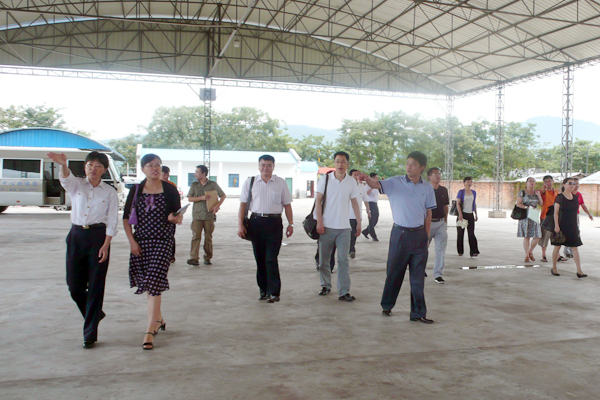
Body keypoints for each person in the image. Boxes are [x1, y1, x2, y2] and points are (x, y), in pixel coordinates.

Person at [47, 151, 119, 349]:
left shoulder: (109, 192)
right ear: (85, 167)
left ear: (104, 170)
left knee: (95, 286)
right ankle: (95, 314)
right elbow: (65, 178)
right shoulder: (76, 185)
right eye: (90, 165)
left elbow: (112, 219)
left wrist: (106, 244)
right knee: (74, 286)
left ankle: (89, 334)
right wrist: (63, 164)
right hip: (76, 236)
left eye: (98, 166)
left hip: (98, 238)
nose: (93, 169)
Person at [361, 151, 436, 322]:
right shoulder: (395, 182)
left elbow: (428, 214)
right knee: (394, 273)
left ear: (422, 167)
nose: (409, 166)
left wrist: (426, 237)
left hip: (419, 235)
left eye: (413, 164)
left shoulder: (427, 188)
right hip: (400, 234)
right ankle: (387, 305)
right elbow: (374, 184)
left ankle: (418, 313)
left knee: (418, 277)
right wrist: (366, 178)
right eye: (407, 163)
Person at [123, 154, 183, 350]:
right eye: (150, 165)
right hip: (141, 241)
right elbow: (126, 218)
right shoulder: (136, 190)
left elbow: (178, 215)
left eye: (158, 165)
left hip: (163, 241)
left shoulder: (170, 190)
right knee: (149, 283)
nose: (155, 168)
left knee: (154, 279)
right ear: (143, 169)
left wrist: (174, 218)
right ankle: (158, 318)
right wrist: (132, 242)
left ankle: (149, 330)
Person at [237, 155, 294, 303]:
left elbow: (287, 204)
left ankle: (274, 292)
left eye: (269, 165)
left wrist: (291, 224)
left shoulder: (280, 183)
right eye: (263, 165)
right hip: (256, 223)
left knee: (271, 258)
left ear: (273, 167)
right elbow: (243, 204)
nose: (265, 168)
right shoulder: (250, 182)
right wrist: (240, 224)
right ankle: (263, 290)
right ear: (258, 166)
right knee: (260, 259)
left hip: (275, 223)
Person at [314, 151, 361, 301]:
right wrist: (319, 221)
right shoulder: (326, 179)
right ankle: (325, 285)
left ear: (347, 164)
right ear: (334, 163)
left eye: (343, 161)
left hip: (344, 228)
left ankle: (344, 291)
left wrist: (359, 222)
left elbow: (354, 202)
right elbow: (318, 201)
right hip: (326, 226)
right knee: (324, 260)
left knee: (343, 260)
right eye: (338, 161)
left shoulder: (351, 182)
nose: (340, 164)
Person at [186, 165, 226, 266]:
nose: (195, 174)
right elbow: (190, 198)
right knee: (196, 236)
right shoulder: (194, 185)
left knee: (208, 238)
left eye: (197, 172)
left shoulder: (212, 184)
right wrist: (202, 198)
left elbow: (223, 195)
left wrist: (217, 205)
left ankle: (207, 257)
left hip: (209, 216)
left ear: (203, 173)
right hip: (197, 216)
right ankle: (194, 258)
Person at [551, 177, 586, 278]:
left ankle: (579, 271)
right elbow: (555, 213)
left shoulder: (575, 198)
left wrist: (576, 227)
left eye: (574, 183)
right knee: (557, 247)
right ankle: (554, 268)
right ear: (564, 185)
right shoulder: (560, 197)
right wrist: (556, 226)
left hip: (572, 226)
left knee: (574, 247)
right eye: (570, 183)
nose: (572, 185)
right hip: (561, 225)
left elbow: (575, 213)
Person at [427, 167, 449, 284]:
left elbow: (446, 207)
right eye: (435, 174)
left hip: (440, 223)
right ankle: (420, 269)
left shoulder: (443, 190)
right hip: (427, 224)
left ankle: (438, 274)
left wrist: (445, 222)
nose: (438, 176)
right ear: (429, 177)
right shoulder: (425, 189)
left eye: (439, 174)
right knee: (422, 249)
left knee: (441, 250)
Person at [564, 178, 593, 258]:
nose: (576, 185)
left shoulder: (579, 194)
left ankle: (571, 250)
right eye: (574, 183)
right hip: (567, 216)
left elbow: (583, 205)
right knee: (568, 232)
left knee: (575, 232)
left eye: (577, 183)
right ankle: (566, 250)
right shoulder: (567, 194)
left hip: (575, 216)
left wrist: (589, 214)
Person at [515, 177, 543, 262]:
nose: (532, 182)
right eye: (530, 181)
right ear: (526, 183)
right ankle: (527, 255)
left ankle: (530, 252)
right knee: (527, 236)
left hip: (534, 215)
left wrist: (539, 196)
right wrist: (527, 207)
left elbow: (541, 204)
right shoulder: (522, 192)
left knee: (537, 236)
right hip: (525, 215)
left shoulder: (536, 193)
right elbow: (518, 204)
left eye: (533, 181)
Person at [349, 169, 370, 258]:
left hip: (357, 216)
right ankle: (350, 249)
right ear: (350, 176)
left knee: (355, 233)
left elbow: (365, 200)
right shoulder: (347, 186)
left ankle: (351, 248)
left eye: (358, 175)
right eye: (354, 175)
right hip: (347, 215)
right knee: (348, 234)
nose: (356, 177)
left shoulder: (361, 187)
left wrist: (368, 211)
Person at [456, 177, 479, 257]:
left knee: (471, 233)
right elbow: (458, 203)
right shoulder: (461, 192)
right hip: (462, 215)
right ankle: (460, 251)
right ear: (464, 183)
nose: (470, 183)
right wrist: (460, 214)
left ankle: (474, 251)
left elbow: (474, 203)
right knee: (460, 233)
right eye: (468, 181)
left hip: (470, 215)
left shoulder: (474, 192)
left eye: (471, 181)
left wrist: (476, 214)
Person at [539, 175, 560, 262]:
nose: (548, 183)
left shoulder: (556, 192)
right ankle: (543, 255)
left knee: (557, 237)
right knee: (544, 237)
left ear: (553, 181)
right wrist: (543, 190)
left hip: (555, 217)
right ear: (544, 183)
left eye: (550, 181)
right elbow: (542, 193)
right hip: (545, 217)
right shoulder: (543, 191)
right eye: (546, 181)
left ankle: (558, 255)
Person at [161, 166, 178, 263]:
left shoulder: (172, 186)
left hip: (171, 216)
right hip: (159, 217)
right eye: (164, 174)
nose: (166, 177)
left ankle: (171, 256)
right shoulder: (154, 186)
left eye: (167, 175)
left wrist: (177, 216)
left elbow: (176, 203)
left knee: (170, 236)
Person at [362, 172, 380, 241]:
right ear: (372, 178)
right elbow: (365, 194)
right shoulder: (367, 185)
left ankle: (365, 231)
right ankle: (373, 236)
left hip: (375, 203)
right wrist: (371, 188)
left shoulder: (376, 185)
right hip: (370, 203)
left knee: (376, 219)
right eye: (376, 177)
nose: (377, 178)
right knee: (371, 220)